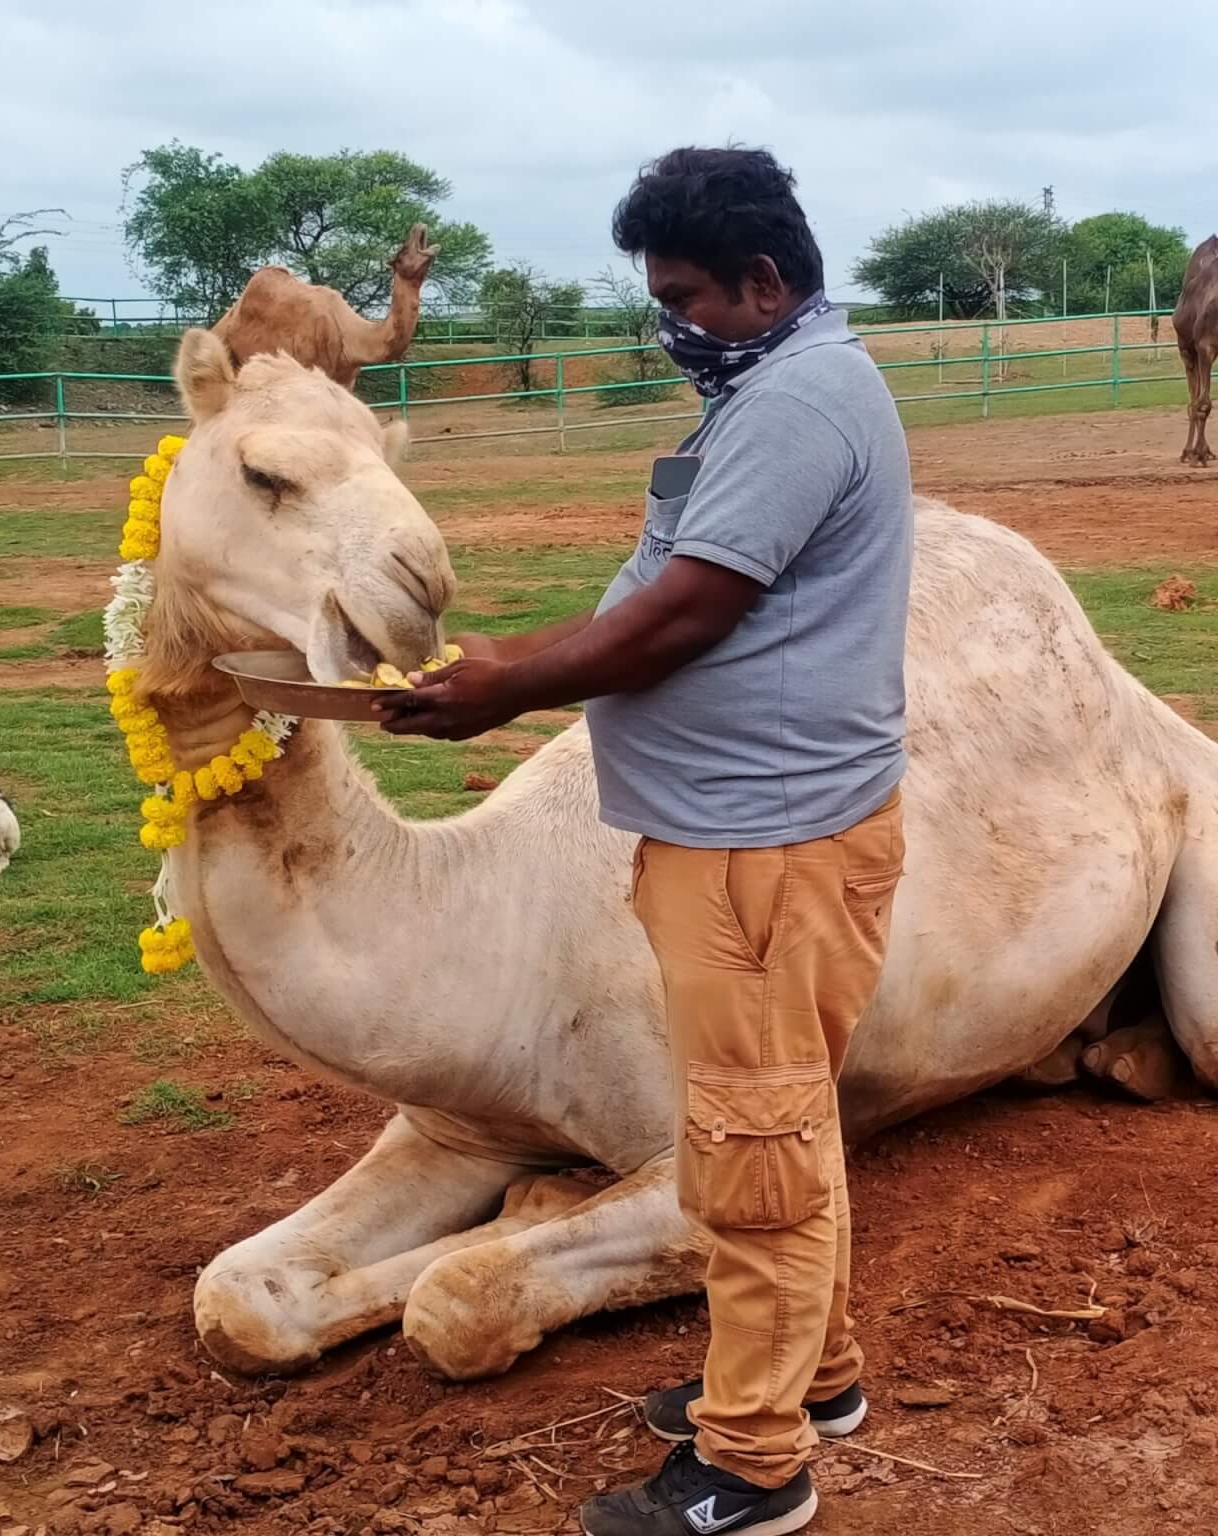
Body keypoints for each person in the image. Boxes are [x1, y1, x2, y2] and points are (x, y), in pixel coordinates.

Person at [378, 145, 913, 1536]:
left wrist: (506, 681)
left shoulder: (798, 401)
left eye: (685, 294)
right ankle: (814, 1378)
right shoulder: (780, 386)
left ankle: (754, 1465)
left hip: (764, 847)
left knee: (754, 1137)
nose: (669, 319)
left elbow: (680, 616)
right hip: (759, 832)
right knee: (776, 1118)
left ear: (764, 282)